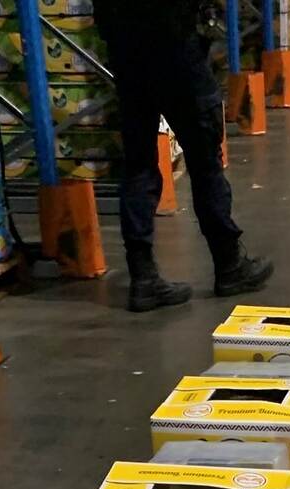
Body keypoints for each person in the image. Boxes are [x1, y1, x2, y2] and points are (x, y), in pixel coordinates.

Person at [94, 0, 273, 312]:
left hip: (126, 48)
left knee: (138, 162)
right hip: (173, 44)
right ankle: (229, 263)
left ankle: (143, 275)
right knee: (204, 159)